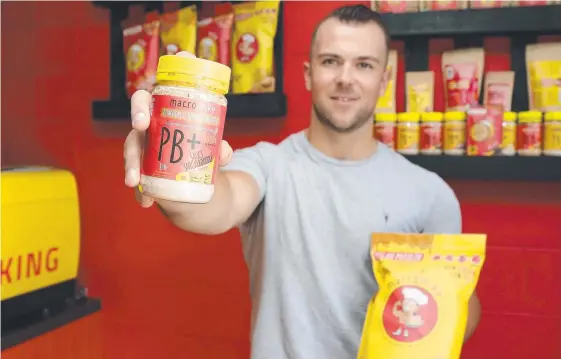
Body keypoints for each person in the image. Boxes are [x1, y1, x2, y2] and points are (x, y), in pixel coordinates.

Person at [123, 4, 480, 359]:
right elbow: (212, 204)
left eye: (364, 65)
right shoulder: (268, 164)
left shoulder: (430, 194)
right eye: (330, 61)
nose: (345, 78)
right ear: (308, 74)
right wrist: (166, 158)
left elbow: (458, 310)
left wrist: (443, 302)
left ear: (384, 81)